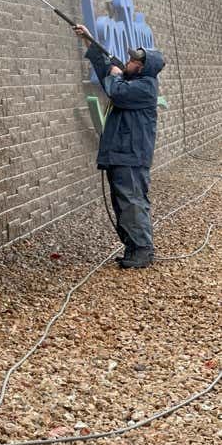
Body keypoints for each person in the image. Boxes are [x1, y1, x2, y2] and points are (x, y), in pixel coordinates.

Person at [74, 24, 165, 268]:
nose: (128, 61)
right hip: (122, 155)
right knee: (123, 204)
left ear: (143, 68)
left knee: (132, 204)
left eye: (133, 61)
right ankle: (133, 249)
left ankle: (142, 251)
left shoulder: (145, 88)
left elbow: (116, 90)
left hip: (131, 158)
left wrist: (115, 74)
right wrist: (89, 42)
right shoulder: (130, 80)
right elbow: (108, 71)